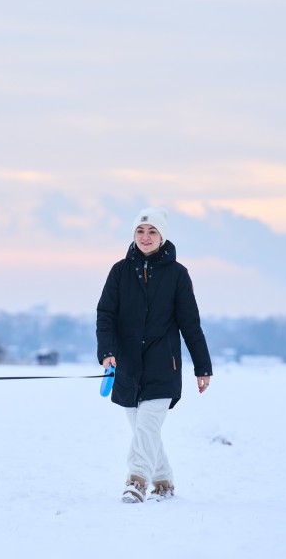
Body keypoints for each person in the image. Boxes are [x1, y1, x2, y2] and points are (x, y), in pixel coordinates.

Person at [96, 207, 213, 503]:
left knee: (147, 427)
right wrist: (107, 352)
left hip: (164, 365)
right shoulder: (119, 271)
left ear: (162, 237)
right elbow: (105, 315)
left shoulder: (177, 275)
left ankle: (136, 481)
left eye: (152, 232)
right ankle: (163, 481)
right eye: (140, 231)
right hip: (127, 367)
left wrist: (202, 366)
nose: (145, 237)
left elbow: (190, 324)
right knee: (142, 430)